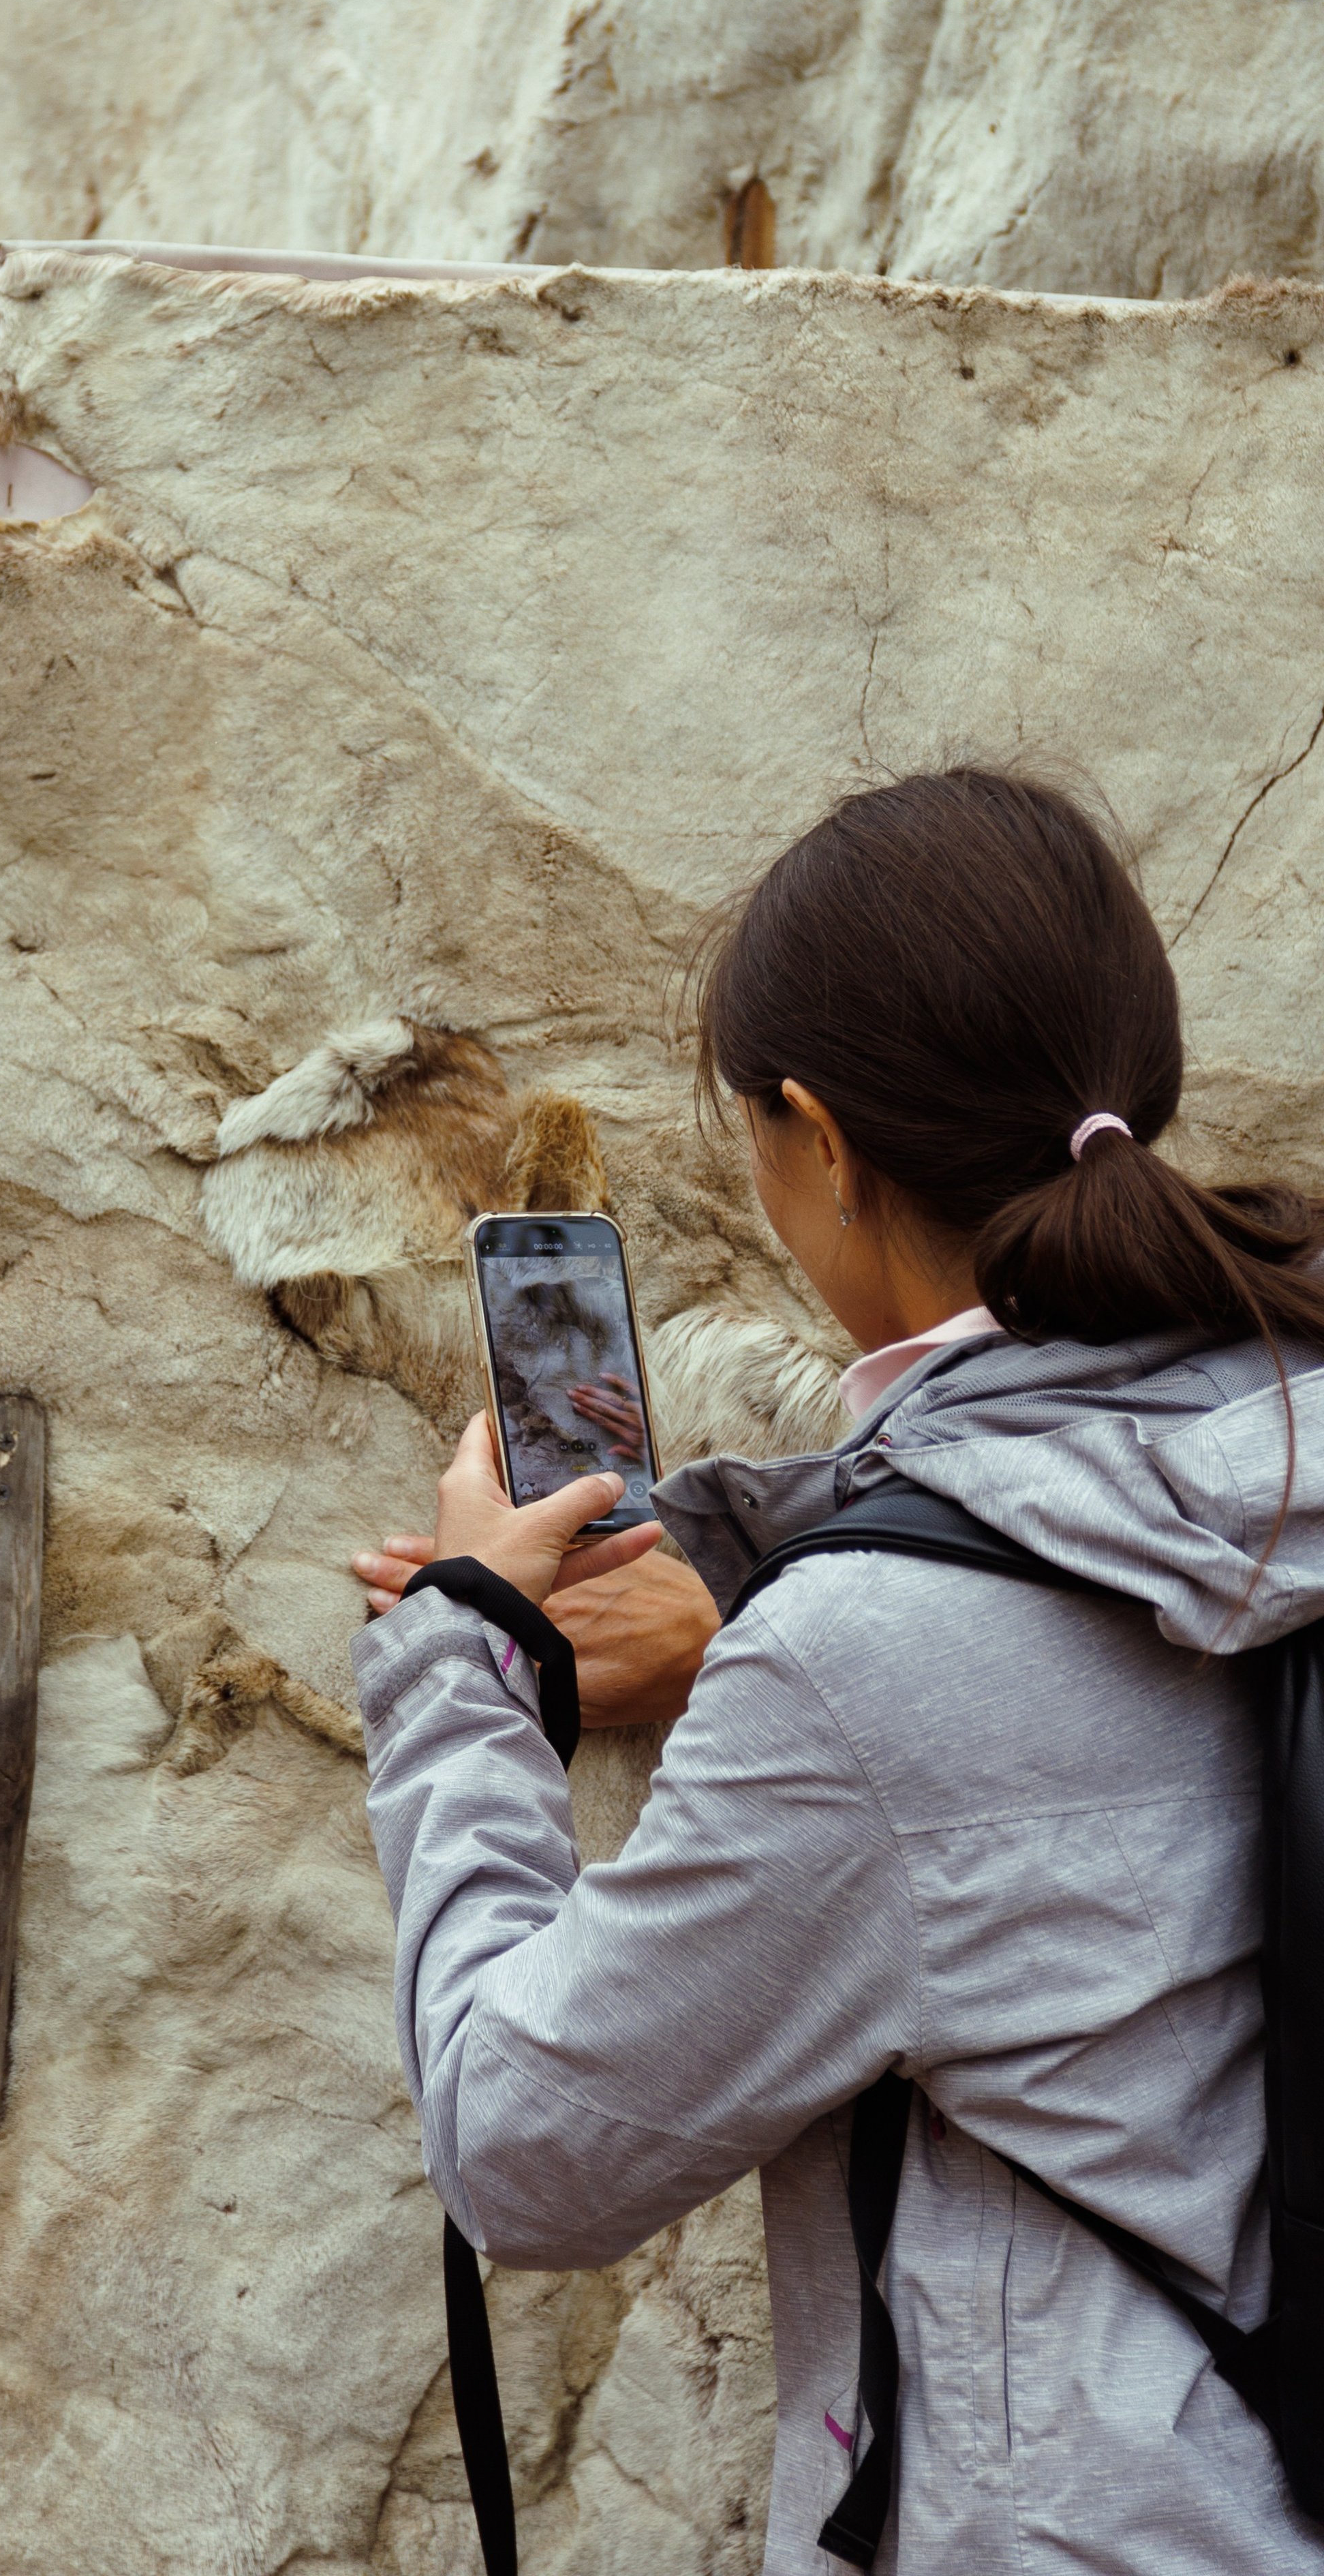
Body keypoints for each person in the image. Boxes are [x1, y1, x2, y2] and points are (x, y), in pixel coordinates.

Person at [348, 770, 1324, 2574]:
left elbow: (526, 2149)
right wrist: (748, 1591)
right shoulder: (1281, 1453)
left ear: (816, 1135)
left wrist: (462, 1659)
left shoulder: (864, 1665)